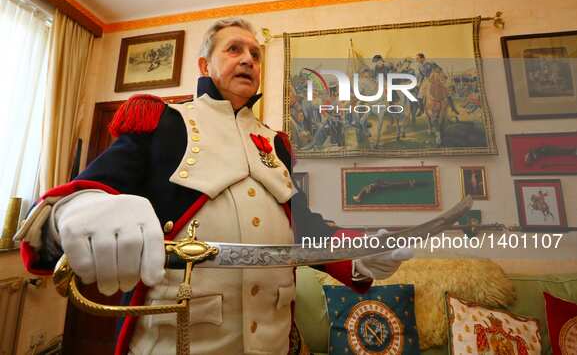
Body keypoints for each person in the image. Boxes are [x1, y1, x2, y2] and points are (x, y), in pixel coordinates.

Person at [16, 18, 409, 355]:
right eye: (234, 49)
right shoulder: (163, 121)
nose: (248, 60)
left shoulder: (275, 143)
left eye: (255, 54)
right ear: (205, 63)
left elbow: (302, 228)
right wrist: (76, 209)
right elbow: (82, 193)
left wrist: (356, 253)